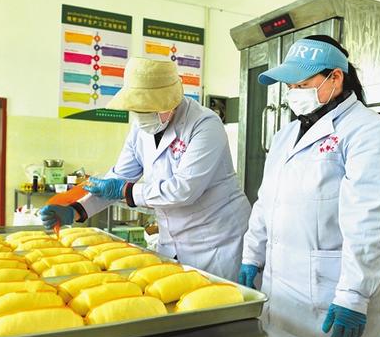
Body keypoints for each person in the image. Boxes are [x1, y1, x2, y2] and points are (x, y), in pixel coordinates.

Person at [237, 35, 380, 337]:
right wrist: (252, 255)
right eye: (290, 86)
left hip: (331, 291)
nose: (293, 93)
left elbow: (370, 221)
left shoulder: (372, 132)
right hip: (281, 288)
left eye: (302, 84)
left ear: (335, 78)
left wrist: (354, 295)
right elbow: (267, 200)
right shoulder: (284, 135)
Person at [41, 57, 250, 280]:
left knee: (215, 298)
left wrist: (126, 191)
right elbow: (119, 177)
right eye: (137, 110)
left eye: (148, 110)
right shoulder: (140, 128)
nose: (142, 117)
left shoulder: (205, 125)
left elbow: (184, 189)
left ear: (171, 102)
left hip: (216, 241)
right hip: (172, 241)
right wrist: (77, 209)